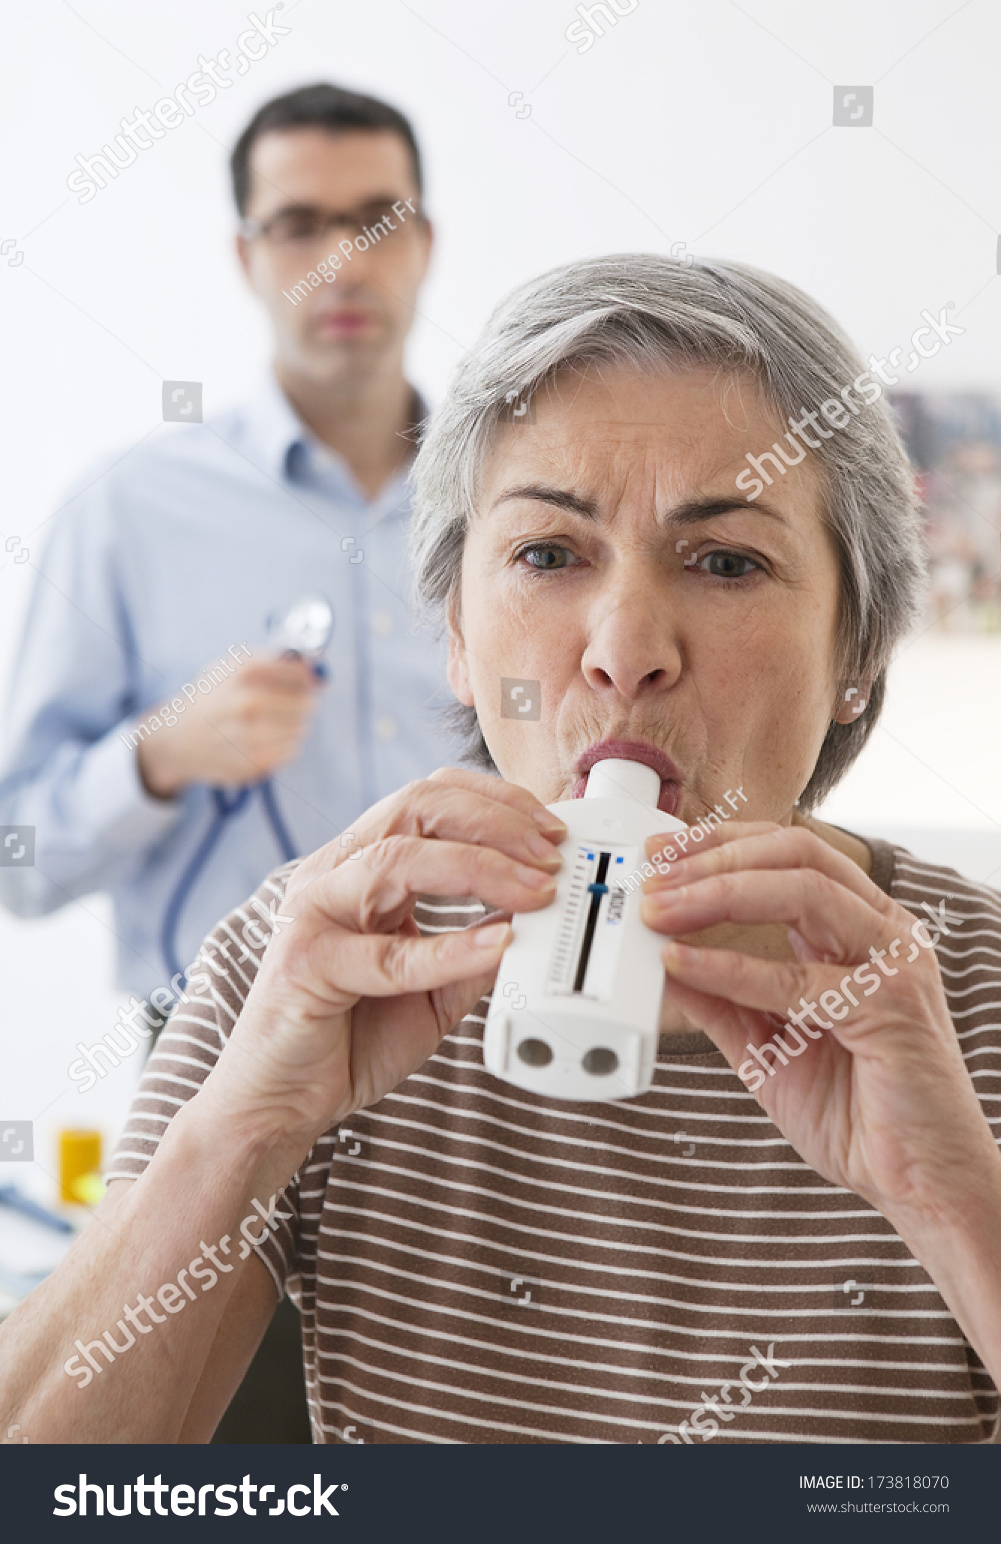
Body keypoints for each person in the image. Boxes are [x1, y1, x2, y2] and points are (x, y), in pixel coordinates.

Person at [4, 254, 1000, 1447]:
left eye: (726, 561)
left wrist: (952, 1200)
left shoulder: (963, 993)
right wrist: (240, 1133)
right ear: (459, 640)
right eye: (546, 554)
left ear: (858, 656)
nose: (623, 650)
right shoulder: (308, 963)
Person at [0, 83, 451, 1004]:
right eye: (298, 226)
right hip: (215, 1063)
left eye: (377, 221)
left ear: (424, 244)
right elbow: (20, 857)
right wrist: (156, 754)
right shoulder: (128, 509)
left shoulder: (520, 509)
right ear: (247, 257)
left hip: (476, 1071)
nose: (343, 262)